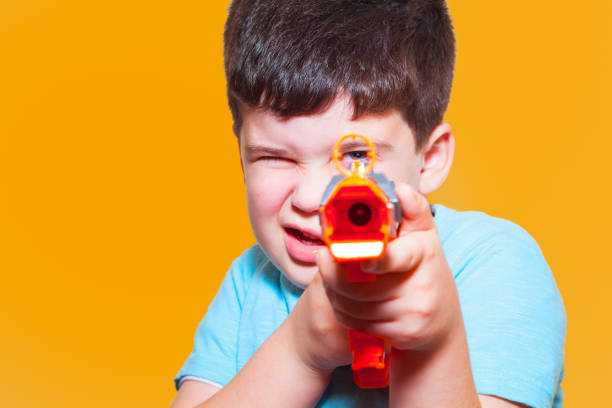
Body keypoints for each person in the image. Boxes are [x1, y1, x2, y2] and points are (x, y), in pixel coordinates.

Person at [171, 1, 566, 407]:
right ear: (242, 159)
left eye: (356, 159)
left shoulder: (492, 263)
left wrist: (433, 342)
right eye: (274, 156)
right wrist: (300, 350)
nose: (310, 198)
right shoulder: (250, 281)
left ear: (429, 160)